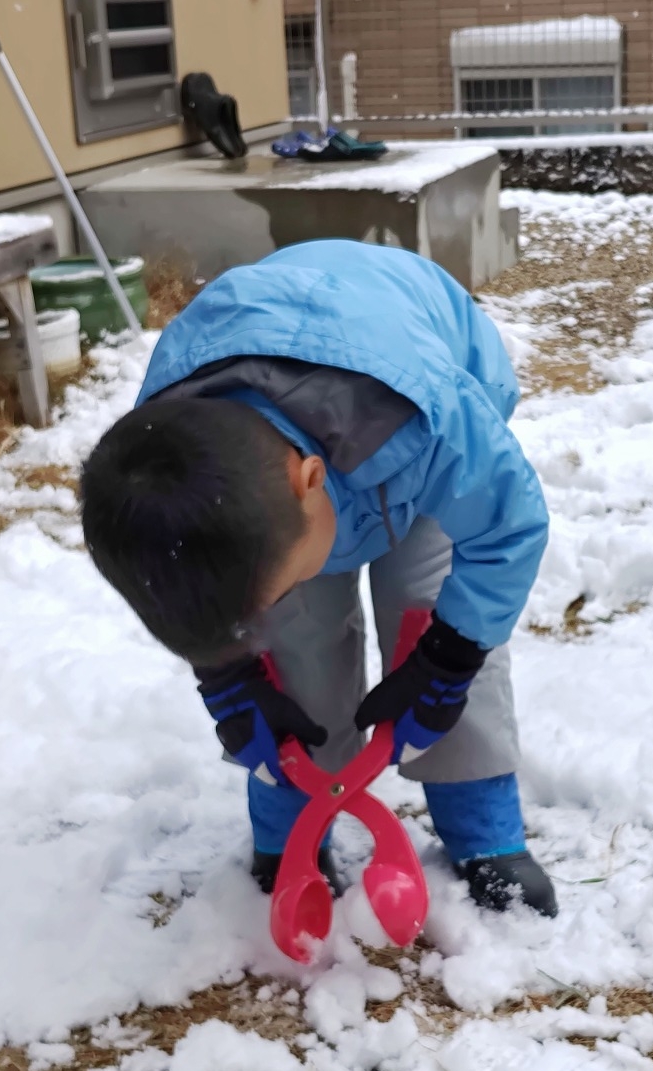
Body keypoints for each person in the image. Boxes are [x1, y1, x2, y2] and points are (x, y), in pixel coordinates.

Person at [80, 240, 557, 917]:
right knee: (294, 655)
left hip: (407, 435)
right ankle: (289, 833)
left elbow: (507, 527)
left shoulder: (434, 420)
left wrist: (449, 659)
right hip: (279, 482)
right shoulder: (170, 463)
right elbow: (189, 587)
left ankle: (484, 832)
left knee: (429, 606)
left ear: (306, 485)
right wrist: (229, 680)